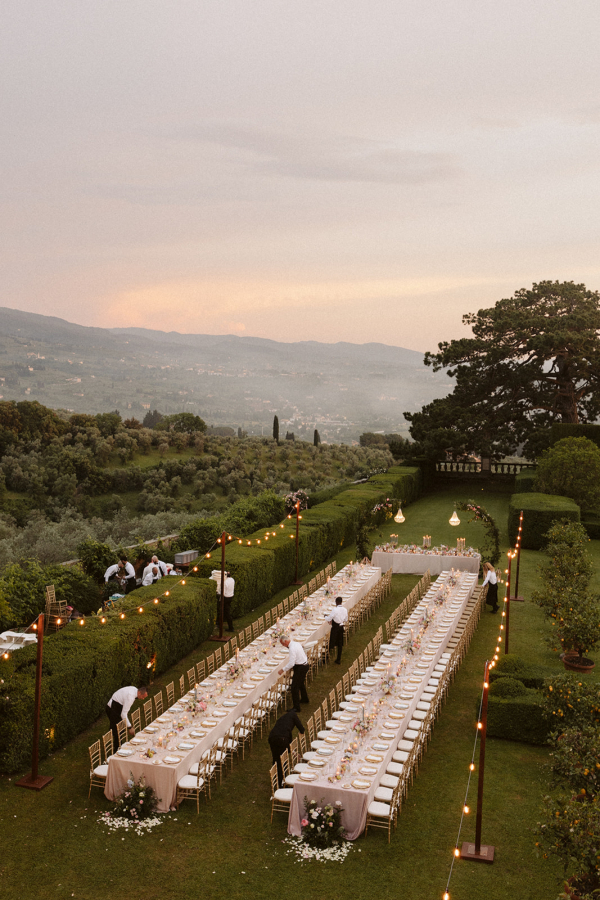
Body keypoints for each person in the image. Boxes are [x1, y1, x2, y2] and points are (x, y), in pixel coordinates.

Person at [268, 709, 305, 788]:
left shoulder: (283, 718)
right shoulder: (294, 715)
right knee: (282, 761)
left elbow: (287, 739)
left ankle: (276, 779)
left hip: (272, 737)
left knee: (276, 758)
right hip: (281, 739)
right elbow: (302, 729)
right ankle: (281, 782)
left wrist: (293, 752)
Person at [105, 685, 147, 750]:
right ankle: (117, 750)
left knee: (120, 729)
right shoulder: (130, 697)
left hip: (117, 705)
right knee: (117, 730)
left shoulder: (135, 690)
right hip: (112, 708)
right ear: (139, 693)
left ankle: (119, 746)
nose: (143, 698)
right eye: (143, 696)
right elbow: (123, 714)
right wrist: (130, 727)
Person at [278, 637, 309, 712]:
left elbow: (291, 663)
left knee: (294, 688)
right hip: (304, 665)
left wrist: (283, 669)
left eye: (283, 643)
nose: (283, 645)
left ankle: (296, 707)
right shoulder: (296, 643)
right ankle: (305, 698)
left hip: (301, 667)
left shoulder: (292, 648)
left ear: (286, 641)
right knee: (300, 683)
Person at [326, 596, 348, 664]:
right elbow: (345, 619)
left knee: (331, 641)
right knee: (340, 644)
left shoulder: (335, 610)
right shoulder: (345, 610)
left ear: (336, 602)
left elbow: (329, 618)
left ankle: (326, 657)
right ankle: (338, 659)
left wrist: (325, 616)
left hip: (335, 627)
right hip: (341, 627)